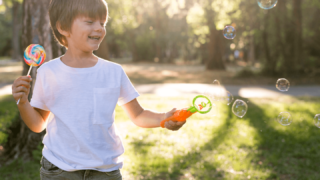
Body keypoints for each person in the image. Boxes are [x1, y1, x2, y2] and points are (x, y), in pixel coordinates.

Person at [11, 0, 186, 179]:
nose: (99, 28)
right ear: (63, 27)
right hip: (60, 169)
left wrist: (163, 118)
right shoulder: (48, 72)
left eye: (102, 23)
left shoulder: (113, 72)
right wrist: (23, 102)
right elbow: (38, 124)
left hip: (105, 170)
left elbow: (138, 115)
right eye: (90, 22)